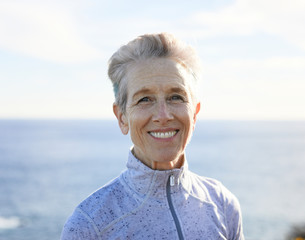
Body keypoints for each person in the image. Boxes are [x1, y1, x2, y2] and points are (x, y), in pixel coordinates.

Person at [61, 33, 245, 240]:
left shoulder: (222, 204)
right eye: (145, 99)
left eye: (176, 97)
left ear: (194, 114)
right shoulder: (89, 225)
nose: (163, 116)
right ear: (122, 118)